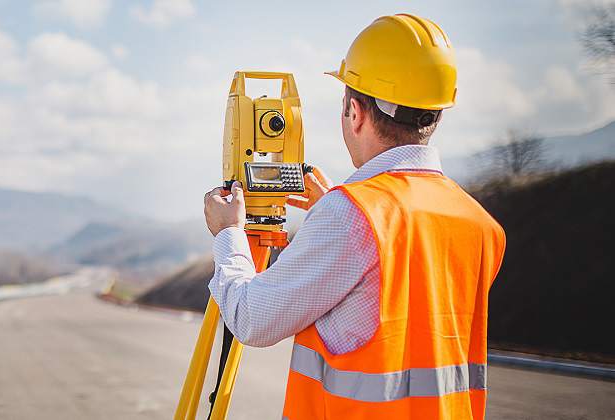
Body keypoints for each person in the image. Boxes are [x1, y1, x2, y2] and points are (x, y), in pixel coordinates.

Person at [203, 14, 506, 419]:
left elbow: (251, 318)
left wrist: (229, 233)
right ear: (435, 115)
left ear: (356, 111)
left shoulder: (351, 217)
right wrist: (339, 212)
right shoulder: (479, 224)